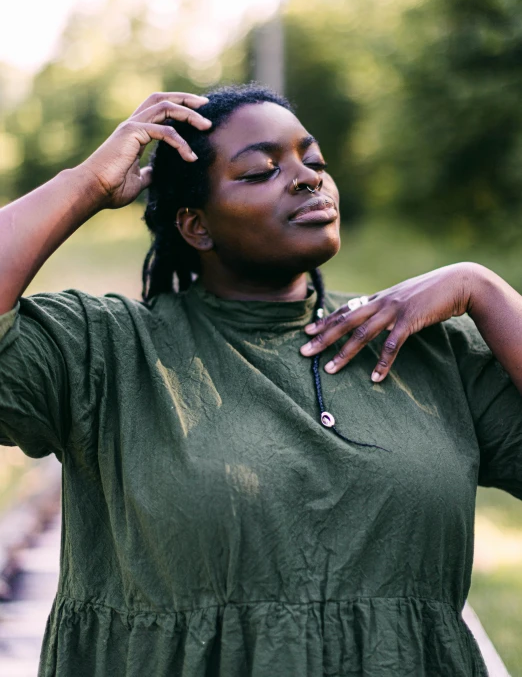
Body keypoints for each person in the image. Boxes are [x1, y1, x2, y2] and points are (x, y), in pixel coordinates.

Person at [0, 83, 521, 677]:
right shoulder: (108, 352)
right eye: (260, 171)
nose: (307, 179)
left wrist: (483, 289)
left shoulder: (424, 346)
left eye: (315, 161)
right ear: (196, 227)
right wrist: (86, 184)